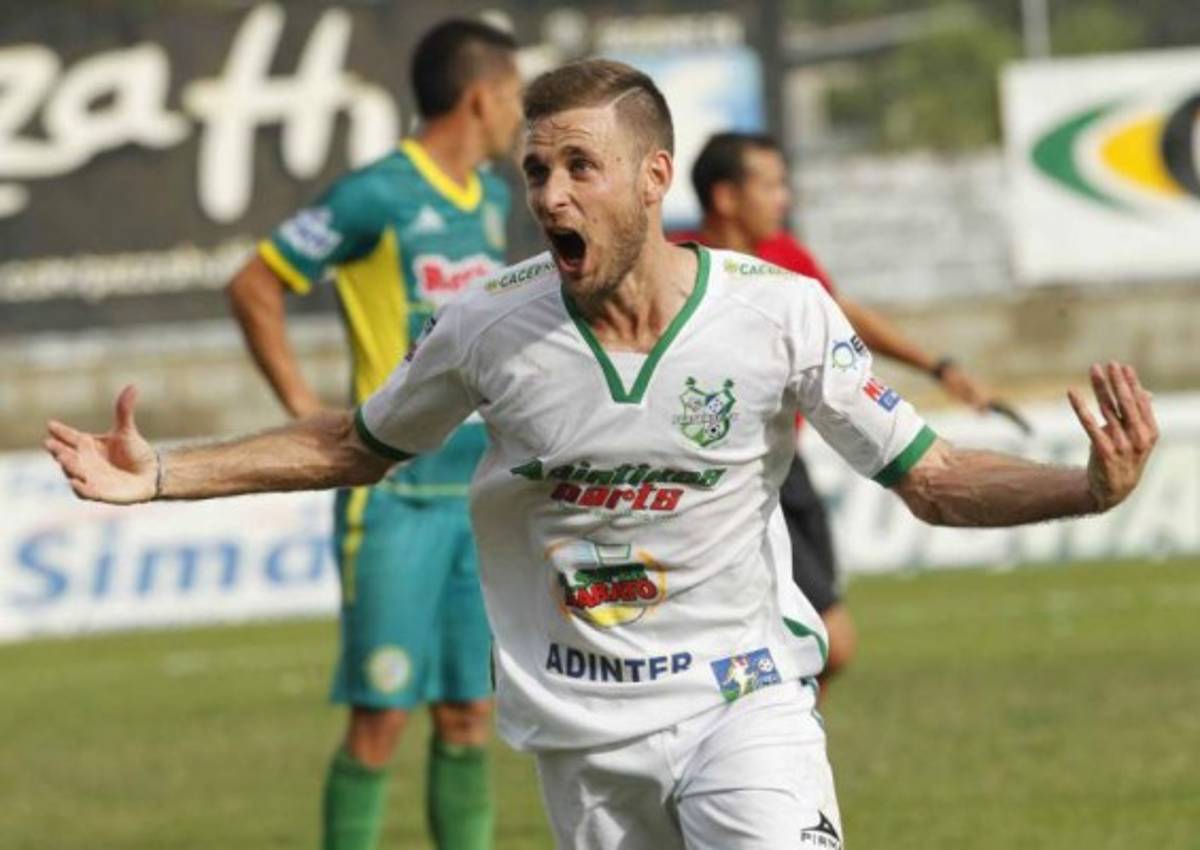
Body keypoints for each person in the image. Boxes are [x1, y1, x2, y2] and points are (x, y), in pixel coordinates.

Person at [45, 59, 1158, 850]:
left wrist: (1085, 486)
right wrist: (161, 473)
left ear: (654, 177)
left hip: (744, 700)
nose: (551, 195)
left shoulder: (780, 313)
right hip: (580, 735)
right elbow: (355, 441)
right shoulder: (485, 327)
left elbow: (933, 477)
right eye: (537, 170)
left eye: (581, 166)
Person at [223, 19, 522, 850]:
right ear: (480, 98)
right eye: (513, 97)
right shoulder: (376, 195)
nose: (518, 116)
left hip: (477, 496)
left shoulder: (494, 200)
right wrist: (301, 405)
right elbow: (254, 284)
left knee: (468, 715)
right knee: (381, 717)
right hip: (392, 497)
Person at [676, 130, 1000, 691]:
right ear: (726, 196)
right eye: (770, 185)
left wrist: (937, 367)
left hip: (784, 466)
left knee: (823, 647)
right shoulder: (674, 268)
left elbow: (841, 314)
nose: (784, 199)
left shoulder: (785, 258)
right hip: (719, 476)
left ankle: (769, 738)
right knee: (825, 639)